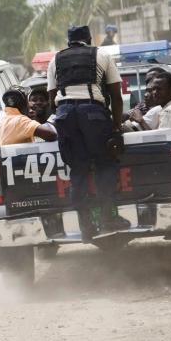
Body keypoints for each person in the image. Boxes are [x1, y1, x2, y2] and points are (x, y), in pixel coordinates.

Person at [47, 25, 127, 240]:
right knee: (104, 163)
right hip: (93, 113)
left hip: (64, 115)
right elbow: (116, 96)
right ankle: (107, 219)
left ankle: (85, 226)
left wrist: (65, 122)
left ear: (68, 42)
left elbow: (52, 98)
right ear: (89, 39)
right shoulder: (101, 54)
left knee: (78, 170)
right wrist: (116, 127)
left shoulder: (55, 60)